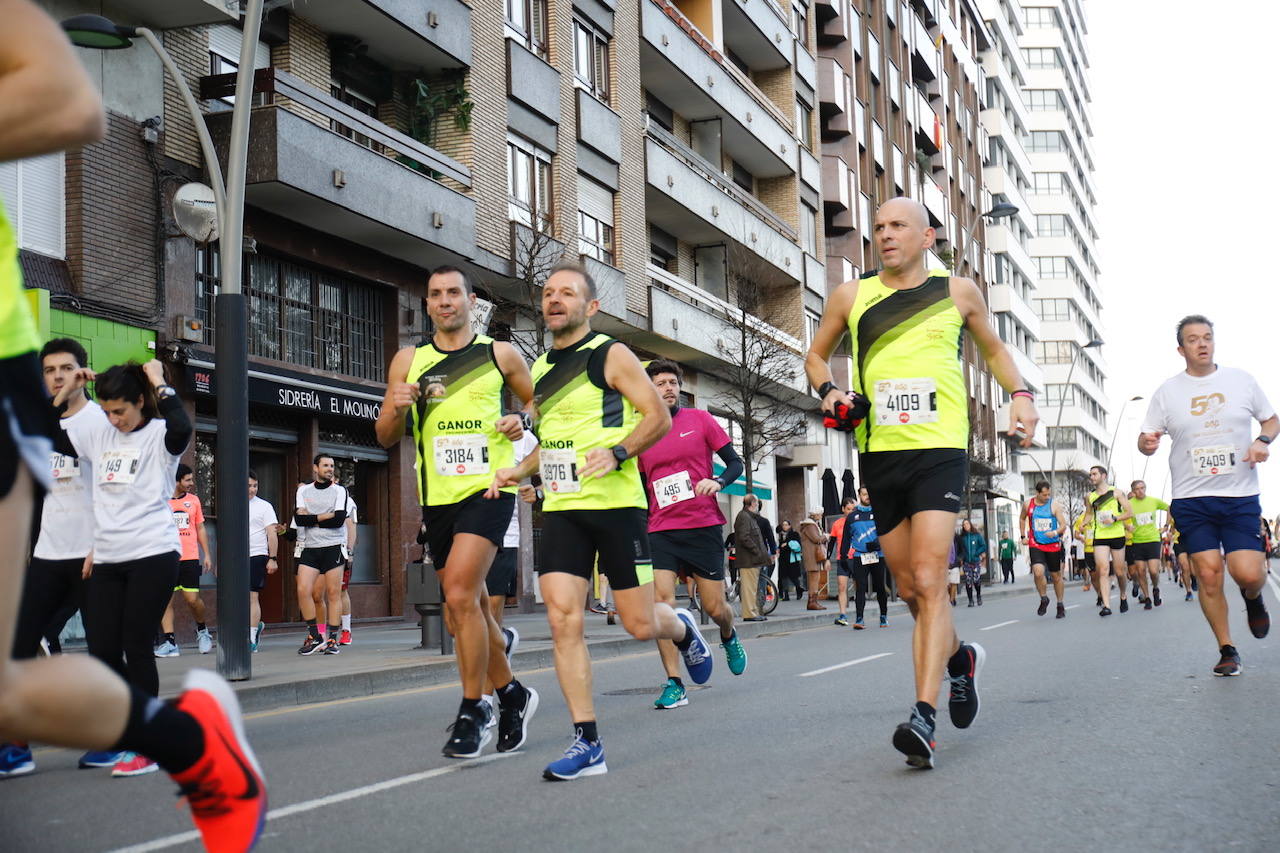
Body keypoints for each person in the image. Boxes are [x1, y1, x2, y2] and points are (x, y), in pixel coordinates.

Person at [0, 5, 267, 844]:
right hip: (94, 550)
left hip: (140, 546)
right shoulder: (92, 427)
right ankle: (186, 740)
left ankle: (186, 742)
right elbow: (74, 430)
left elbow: (70, 104)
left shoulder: (150, 431)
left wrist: (150, 386)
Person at [805, 196, 1038, 768]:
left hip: (939, 451)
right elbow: (815, 356)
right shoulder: (851, 296)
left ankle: (924, 718)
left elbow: (994, 349)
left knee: (932, 578)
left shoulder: (957, 292)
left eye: (897, 226)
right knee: (910, 591)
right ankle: (960, 663)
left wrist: (1022, 396)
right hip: (880, 454)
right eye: (879, 227)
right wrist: (830, 392)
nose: (885, 235)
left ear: (926, 236)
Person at [488, 261, 712, 780]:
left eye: (567, 293)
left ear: (591, 307)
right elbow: (552, 444)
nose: (554, 300)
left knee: (638, 623)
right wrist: (518, 471)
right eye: (548, 293)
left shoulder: (612, 354)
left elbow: (656, 415)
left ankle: (679, 626)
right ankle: (587, 742)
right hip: (564, 509)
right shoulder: (541, 370)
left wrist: (617, 451)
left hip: (616, 507)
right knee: (562, 619)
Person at [375, 265, 538, 758]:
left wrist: (521, 418)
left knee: (461, 594)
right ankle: (513, 693)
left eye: (454, 293)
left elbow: (542, 405)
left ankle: (474, 709)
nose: (445, 301)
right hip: (438, 499)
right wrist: (396, 406)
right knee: (460, 609)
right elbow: (384, 438)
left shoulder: (499, 354)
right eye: (435, 295)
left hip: (490, 489)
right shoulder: (409, 360)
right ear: (427, 305)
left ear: (471, 302)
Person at [1138, 314, 1275, 676]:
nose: (1202, 344)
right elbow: (1146, 437)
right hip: (1191, 498)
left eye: (1208, 337)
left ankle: (1253, 597)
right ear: (1181, 349)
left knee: (1247, 572)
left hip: (1239, 494)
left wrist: (1262, 441)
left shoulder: (1241, 381)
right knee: (1209, 574)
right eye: (1194, 339)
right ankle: (1227, 648)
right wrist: (1147, 443)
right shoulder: (1168, 392)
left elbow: (1271, 420)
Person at [2, 339, 102, 777]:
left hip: (92, 552)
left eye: (65, 368)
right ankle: (16, 747)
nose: (57, 376)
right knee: (18, 647)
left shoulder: (99, 420)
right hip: (47, 552)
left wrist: (101, 545)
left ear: (83, 371)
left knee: (104, 649)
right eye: (49, 370)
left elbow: (112, 488)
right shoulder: (40, 424)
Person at [637, 359, 748, 708]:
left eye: (672, 382)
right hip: (661, 528)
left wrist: (717, 481)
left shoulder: (700, 420)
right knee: (661, 606)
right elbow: (639, 486)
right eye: (660, 383)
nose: (668, 388)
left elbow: (735, 463)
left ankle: (728, 636)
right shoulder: (641, 431)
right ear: (649, 390)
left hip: (702, 524)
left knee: (716, 608)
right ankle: (674, 683)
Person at [479, 428, 537, 726]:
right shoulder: (449, 423)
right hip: (462, 534)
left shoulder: (521, 435)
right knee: (458, 621)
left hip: (503, 534)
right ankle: (502, 641)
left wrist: (537, 490)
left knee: (486, 618)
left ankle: (485, 703)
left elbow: (551, 457)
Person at [292, 455, 352, 656]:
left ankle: (333, 639)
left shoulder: (340, 490)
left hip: (333, 546)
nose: (330, 469)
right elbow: (299, 519)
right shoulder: (303, 490)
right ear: (315, 468)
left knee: (334, 594)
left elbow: (339, 520)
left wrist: (312, 518)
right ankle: (316, 636)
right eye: (325, 465)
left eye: (332, 466)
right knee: (303, 590)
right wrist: (324, 516)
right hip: (310, 548)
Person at [155, 464, 214, 657]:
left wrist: (207, 554)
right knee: (165, 601)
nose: (191, 483)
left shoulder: (193, 501)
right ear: (176, 480)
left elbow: (201, 529)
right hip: (166, 558)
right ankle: (170, 642)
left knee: (193, 600)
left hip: (189, 557)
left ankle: (203, 631)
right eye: (187, 480)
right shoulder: (161, 501)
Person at [1082, 465, 1134, 616]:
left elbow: (1129, 512)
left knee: (1119, 571)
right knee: (1102, 569)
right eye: (1090, 475)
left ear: (1103, 476)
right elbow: (1090, 513)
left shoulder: (1116, 493)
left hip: (1117, 535)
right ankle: (1107, 605)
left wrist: (1115, 518)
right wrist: (1084, 523)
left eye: (1094, 474)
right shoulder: (1090, 496)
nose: (1092, 477)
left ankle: (1123, 594)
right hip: (1100, 536)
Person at [313, 489, 357, 645]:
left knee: (340, 591)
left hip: (340, 551)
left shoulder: (346, 500)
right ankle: (321, 634)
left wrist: (350, 551)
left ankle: (345, 631)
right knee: (317, 594)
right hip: (318, 549)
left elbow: (351, 526)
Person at [1020, 480, 1069, 618]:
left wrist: (1054, 533)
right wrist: (1023, 535)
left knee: (1056, 576)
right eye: (1045, 495)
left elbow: (1063, 524)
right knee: (1038, 572)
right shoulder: (1027, 504)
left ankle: (1060, 604)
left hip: (1052, 544)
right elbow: (1022, 519)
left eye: (1049, 494)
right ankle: (1044, 598)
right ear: (1037, 493)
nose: (1047, 497)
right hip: (1035, 543)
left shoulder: (1054, 505)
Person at [849, 486, 890, 628]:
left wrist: (878, 543)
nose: (867, 496)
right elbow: (846, 539)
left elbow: (887, 532)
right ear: (859, 496)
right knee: (860, 587)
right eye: (864, 494)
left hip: (877, 555)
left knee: (880, 586)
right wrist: (843, 557)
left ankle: (883, 615)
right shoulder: (852, 516)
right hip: (860, 556)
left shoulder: (880, 513)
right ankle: (859, 618)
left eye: (869, 494)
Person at [247, 471, 278, 653]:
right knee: (237, 598)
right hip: (235, 557)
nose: (252, 489)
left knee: (252, 596)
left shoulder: (264, 506)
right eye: (249, 485)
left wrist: (272, 558)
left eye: (255, 486)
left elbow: (272, 533)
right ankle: (252, 628)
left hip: (257, 555)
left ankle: (251, 638)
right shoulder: (232, 502)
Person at [1127, 479, 1170, 609]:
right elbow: (1119, 516)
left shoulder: (1153, 501)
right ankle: (1147, 598)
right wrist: (1127, 526)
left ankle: (1155, 588)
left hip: (1153, 539)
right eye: (1137, 489)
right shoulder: (1129, 504)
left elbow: (1169, 508)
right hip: (1137, 541)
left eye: (1142, 488)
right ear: (1133, 491)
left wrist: (1166, 526)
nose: (1140, 491)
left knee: (1153, 571)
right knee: (1141, 571)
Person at [733, 494, 771, 622]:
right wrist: (756, 551)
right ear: (753, 503)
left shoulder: (748, 516)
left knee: (752, 587)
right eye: (756, 502)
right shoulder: (744, 517)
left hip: (752, 559)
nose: (758, 505)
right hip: (748, 559)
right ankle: (750, 613)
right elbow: (744, 537)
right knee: (749, 588)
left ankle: (753, 612)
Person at [829, 497, 856, 625]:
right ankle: (843, 615)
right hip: (842, 559)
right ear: (843, 509)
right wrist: (827, 559)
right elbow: (832, 543)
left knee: (859, 587)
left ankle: (859, 614)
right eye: (848, 509)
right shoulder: (837, 523)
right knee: (842, 587)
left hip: (857, 558)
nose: (851, 512)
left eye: (853, 509)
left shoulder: (858, 522)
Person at [798, 510, 829, 611]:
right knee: (814, 579)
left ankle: (813, 601)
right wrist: (826, 536)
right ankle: (812, 602)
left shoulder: (811, 525)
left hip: (812, 555)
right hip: (812, 555)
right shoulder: (810, 525)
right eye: (820, 514)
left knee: (815, 578)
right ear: (815, 515)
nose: (821, 516)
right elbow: (816, 539)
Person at [958, 520, 986, 607]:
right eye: (964, 525)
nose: (965, 526)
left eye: (967, 524)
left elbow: (983, 546)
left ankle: (978, 596)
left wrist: (977, 553)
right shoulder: (962, 538)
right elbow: (959, 550)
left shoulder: (977, 535)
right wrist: (961, 558)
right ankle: (970, 600)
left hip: (976, 562)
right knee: (968, 581)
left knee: (976, 580)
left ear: (970, 524)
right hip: (966, 563)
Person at [776, 520, 804, 600]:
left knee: (793, 577)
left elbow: (797, 545)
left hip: (792, 558)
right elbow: (780, 545)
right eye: (783, 525)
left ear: (789, 526)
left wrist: (787, 544)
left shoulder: (794, 534)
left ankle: (799, 590)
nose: (784, 526)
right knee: (783, 577)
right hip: (783, 559)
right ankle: (786, 595)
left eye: (786, 525)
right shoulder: (781, 535)